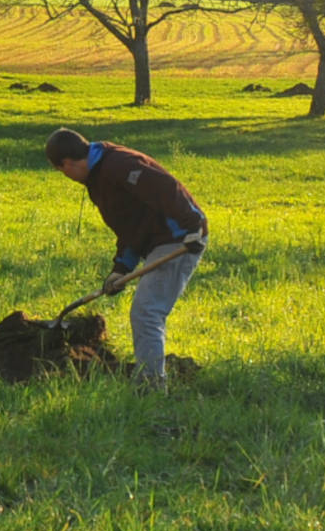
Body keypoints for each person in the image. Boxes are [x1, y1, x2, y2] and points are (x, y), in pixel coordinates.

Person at [44, 127, 207, 390]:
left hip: (181, 238)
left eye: (62, 172)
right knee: (146, 312)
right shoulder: (98, 180)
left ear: (67, 163)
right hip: (159, 240)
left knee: (146, 312)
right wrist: (121, 268)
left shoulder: (120, 166)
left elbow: (166, 187)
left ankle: (151, 389)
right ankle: (149, 381)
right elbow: (130, 226)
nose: (67, 177)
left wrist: (193, 226)